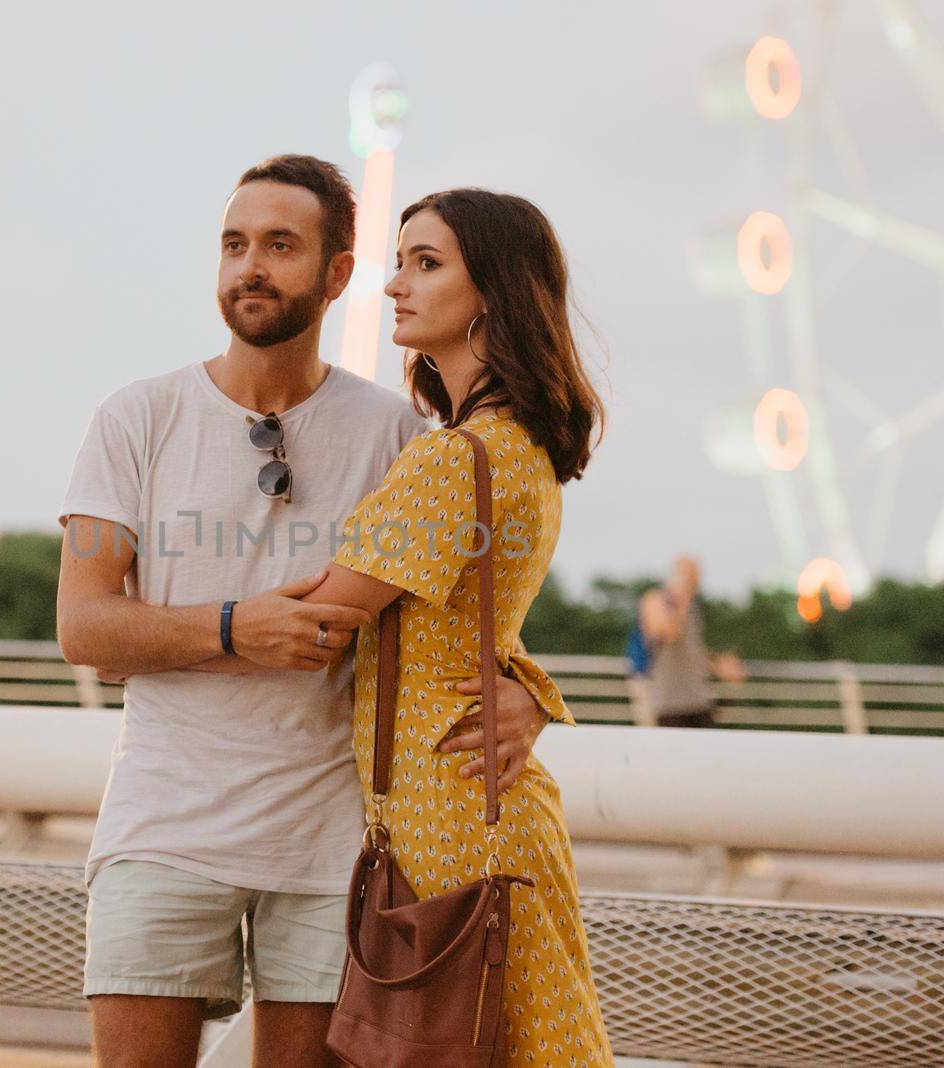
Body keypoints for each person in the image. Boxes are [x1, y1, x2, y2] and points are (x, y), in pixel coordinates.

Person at [55, 156, 568, 1068]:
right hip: (163, 831)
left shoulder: (403, 438)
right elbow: (85, 629)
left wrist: (525, 687)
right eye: (234, 244)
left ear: (336, 273)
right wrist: (230, 627)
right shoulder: (134, 419)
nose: (250, 266)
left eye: (280, 245)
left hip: (336, 851)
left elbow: (473, 597)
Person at [185, 188, 615, 1064]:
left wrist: (162, 626)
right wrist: (533, 690)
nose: (394, 286)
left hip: (445, 824)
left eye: (427, 264)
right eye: (401, 261)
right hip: (489, 813)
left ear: (491, 290)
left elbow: (318, 618)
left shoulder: (452, 459)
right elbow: (478, 623)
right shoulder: (518, 448)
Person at [638, 555, 747, 728]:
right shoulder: (656, 600)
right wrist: (680, 599)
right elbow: (670, 634)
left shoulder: (693, 606)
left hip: (699, 701)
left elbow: (693, 650)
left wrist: (718, 666)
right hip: (670, 704)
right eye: (690, 573)